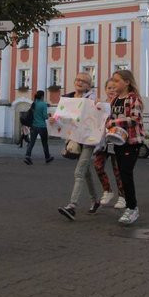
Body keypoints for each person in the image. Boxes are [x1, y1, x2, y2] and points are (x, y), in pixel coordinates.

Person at [58, 73, 99, 220]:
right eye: (78, 80)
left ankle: (72, 206)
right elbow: (61, 118)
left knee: (79, 172)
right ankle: (95, 200)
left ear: (89, 86)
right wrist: (54, 120)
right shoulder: (68, 98)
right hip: (74, 137)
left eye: (84, 81)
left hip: (88, 139)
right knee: (86, 172)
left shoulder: (92, 100)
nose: (80, 82)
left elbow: (94, 117)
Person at [106, 70, 144, 224]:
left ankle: (132, 208)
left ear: (127, 82)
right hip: (118, 140)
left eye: (117, 81)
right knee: (121, 174)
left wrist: (114, 123)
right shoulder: (115, 100)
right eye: (113, 81)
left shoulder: (134, 99)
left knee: (126, 173)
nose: (114, 84)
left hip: (132, 141)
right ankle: (129, 206)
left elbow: (135, 119)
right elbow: (108, 117)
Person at [93, 78, 125, 208]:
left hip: (116, 140)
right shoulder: (102, 104)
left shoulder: (120, 103)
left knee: (118, 170)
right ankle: (107, 190)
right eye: (109, 88)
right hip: (103, 141)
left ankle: (123, 197)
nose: (112, 90)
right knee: (97, 165)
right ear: (105, 90)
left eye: (114, 87)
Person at [24, 90, 53, 164]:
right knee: (44, 143)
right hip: (42, 126)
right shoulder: (43, 104)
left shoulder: (34, 104)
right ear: (42, 96)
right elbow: (45, 116)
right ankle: (47, 157)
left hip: (33, 126)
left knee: (31, 142)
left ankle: (27, 156)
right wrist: (49, 115)